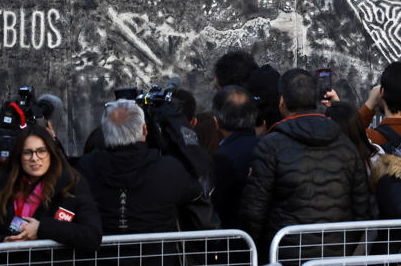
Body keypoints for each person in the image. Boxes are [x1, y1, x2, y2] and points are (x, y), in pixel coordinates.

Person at [240, 69, 371, 256]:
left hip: (285, 253)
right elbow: (362, 208)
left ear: (282, 102)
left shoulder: (270, 145)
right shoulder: (346, 145)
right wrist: (343, 247)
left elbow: (254, 210)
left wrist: (262, 252)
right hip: (336, 255)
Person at [77, 99, 203, 235]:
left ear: (105, 132)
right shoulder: (169, 169)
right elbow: (197, 190)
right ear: (144, 130)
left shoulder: (85, 168)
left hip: (99, 254)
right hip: (158, 253)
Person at [0, 126, 101, 254]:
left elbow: (92, 236)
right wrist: (4, 243)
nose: (35, 158)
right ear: (19, 156)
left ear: (51, 153)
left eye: (41, 151)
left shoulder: (72, 184)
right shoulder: (8, 187)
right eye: (27, 152)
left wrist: (41, 229)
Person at [210, 86, 261, 230]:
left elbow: (218, 206)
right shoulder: (268, 145)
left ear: (216, 123)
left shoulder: (223, 158)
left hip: (237, 240)